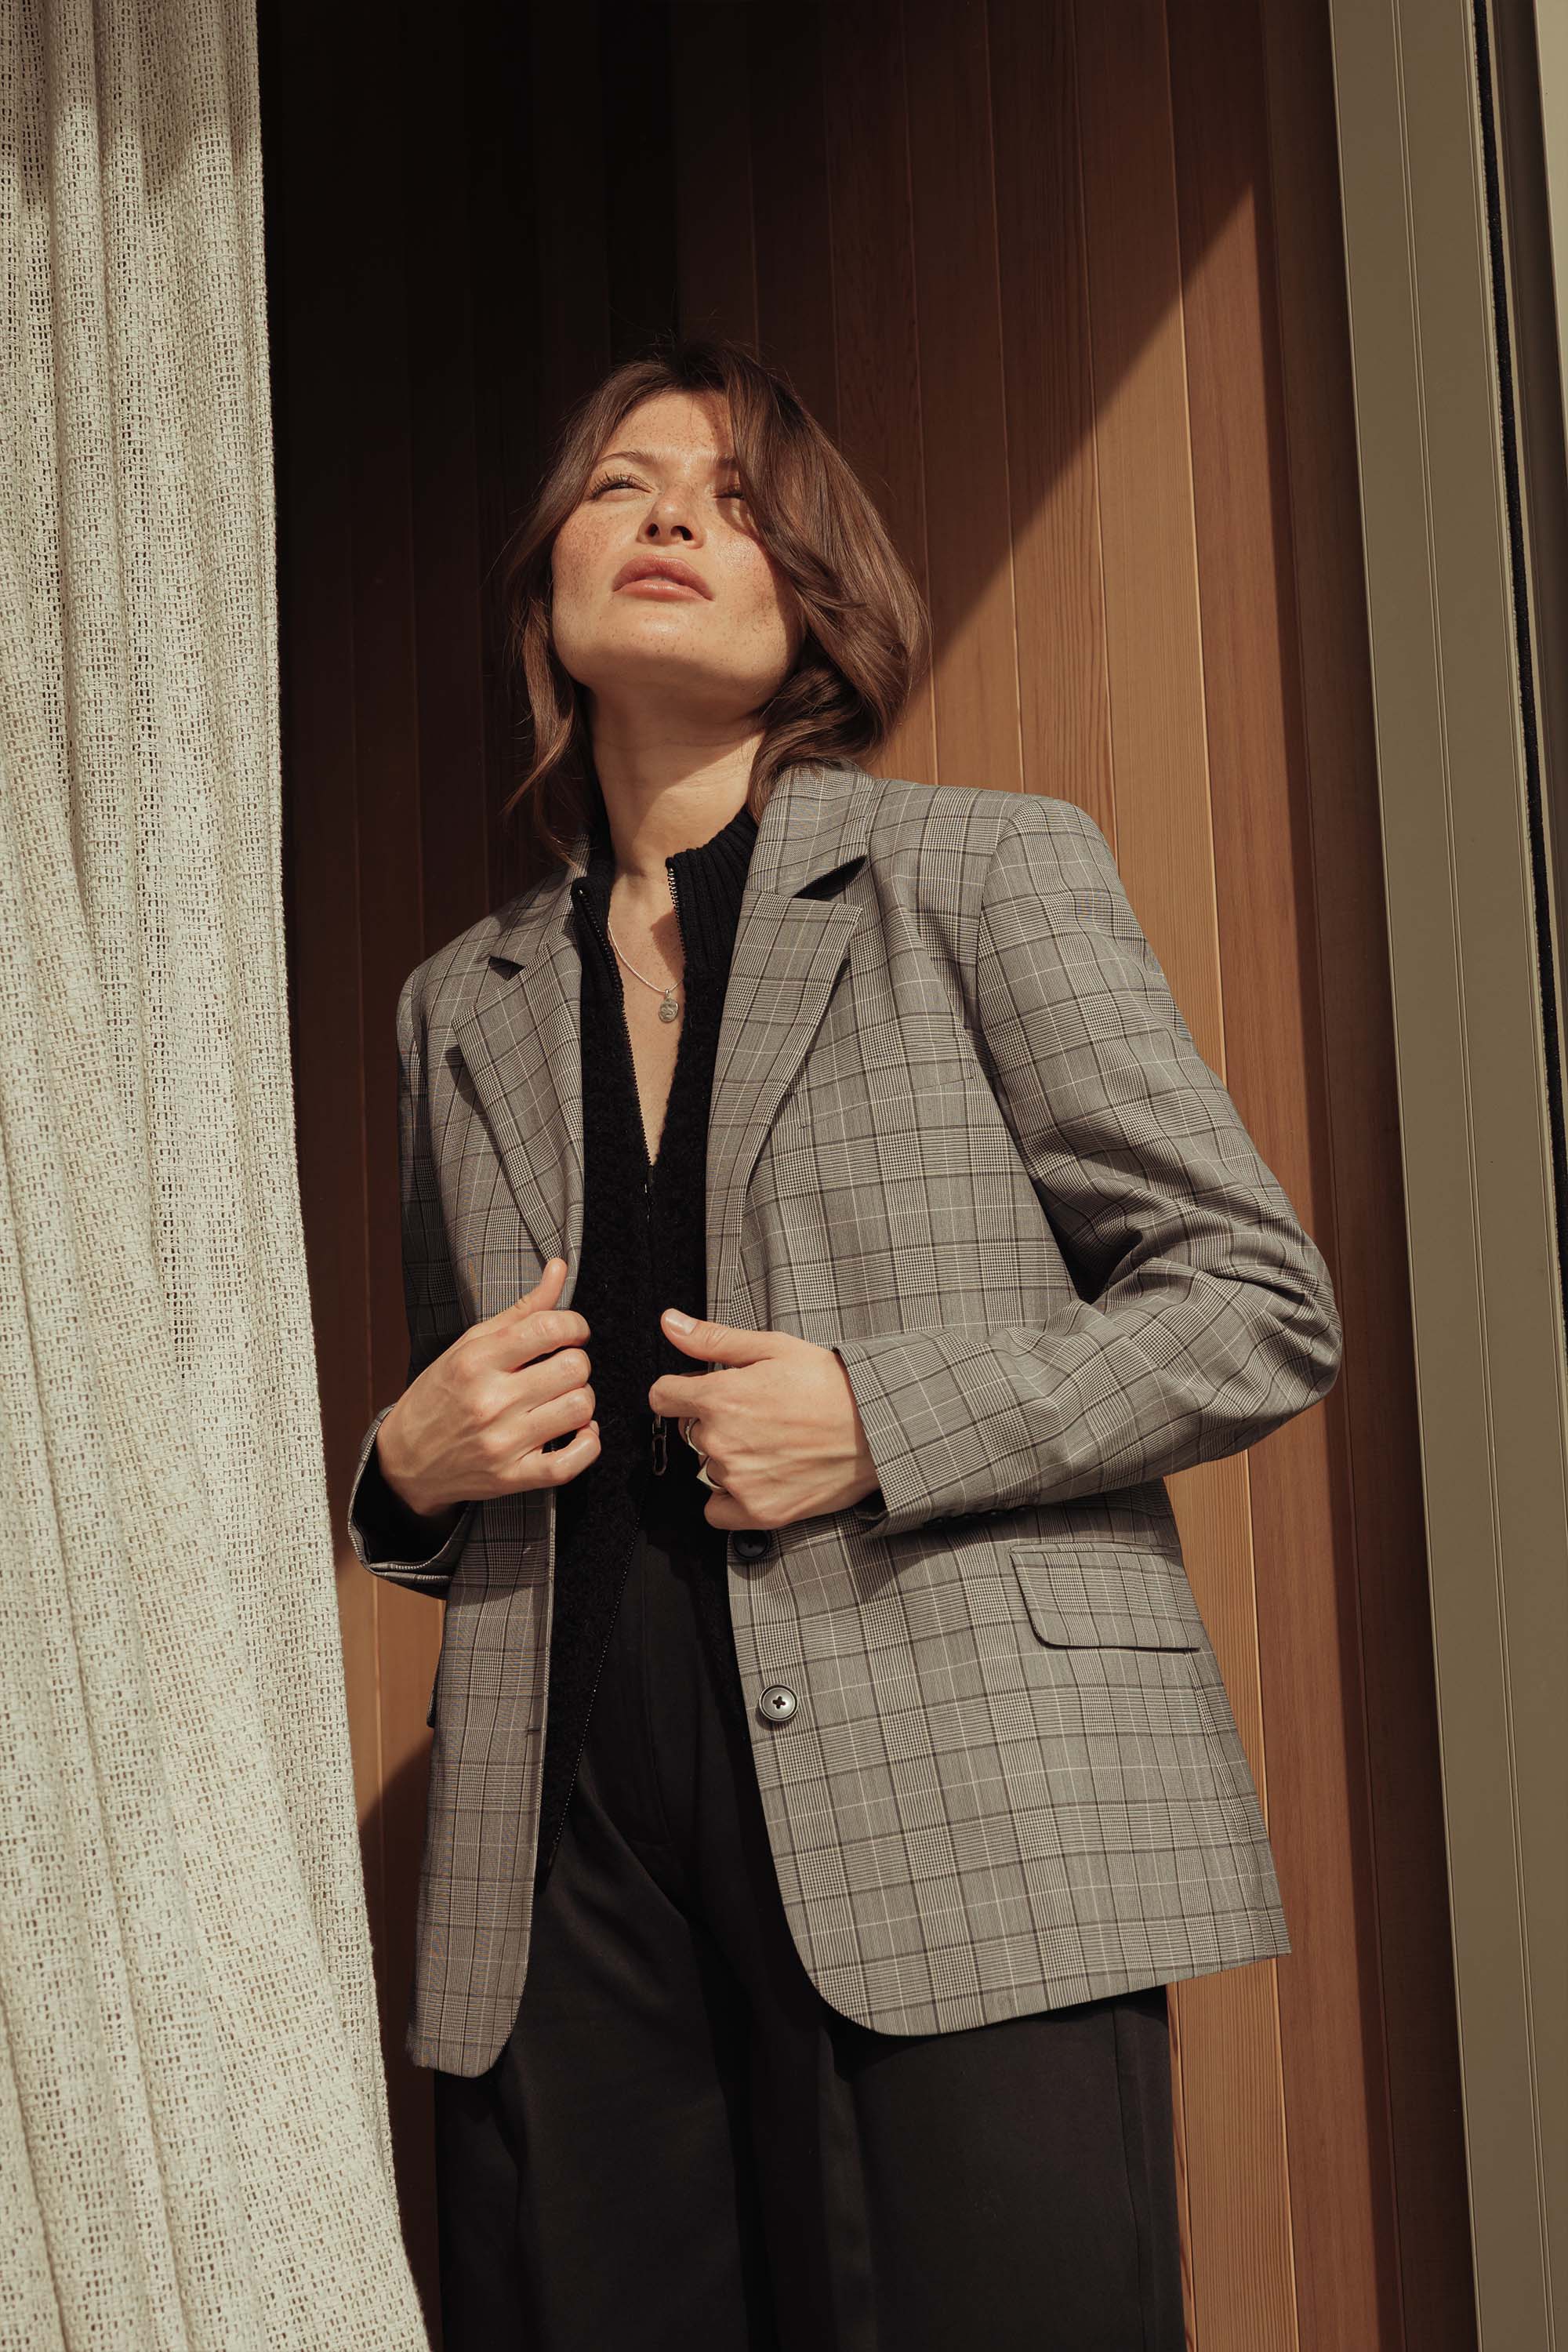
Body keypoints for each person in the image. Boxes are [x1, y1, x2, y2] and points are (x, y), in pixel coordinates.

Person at [345, 336, 1343, 2351]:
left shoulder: (979, 871)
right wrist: (402, 1477)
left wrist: (883, 1414)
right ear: (550, 578)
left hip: (958, 1807)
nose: (666, 518)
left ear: (813, 596)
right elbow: (478, 1427)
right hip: (568, 1868)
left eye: (727, 498)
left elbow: (1254, 1300)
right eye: (621, 485)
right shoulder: (458, 1001)